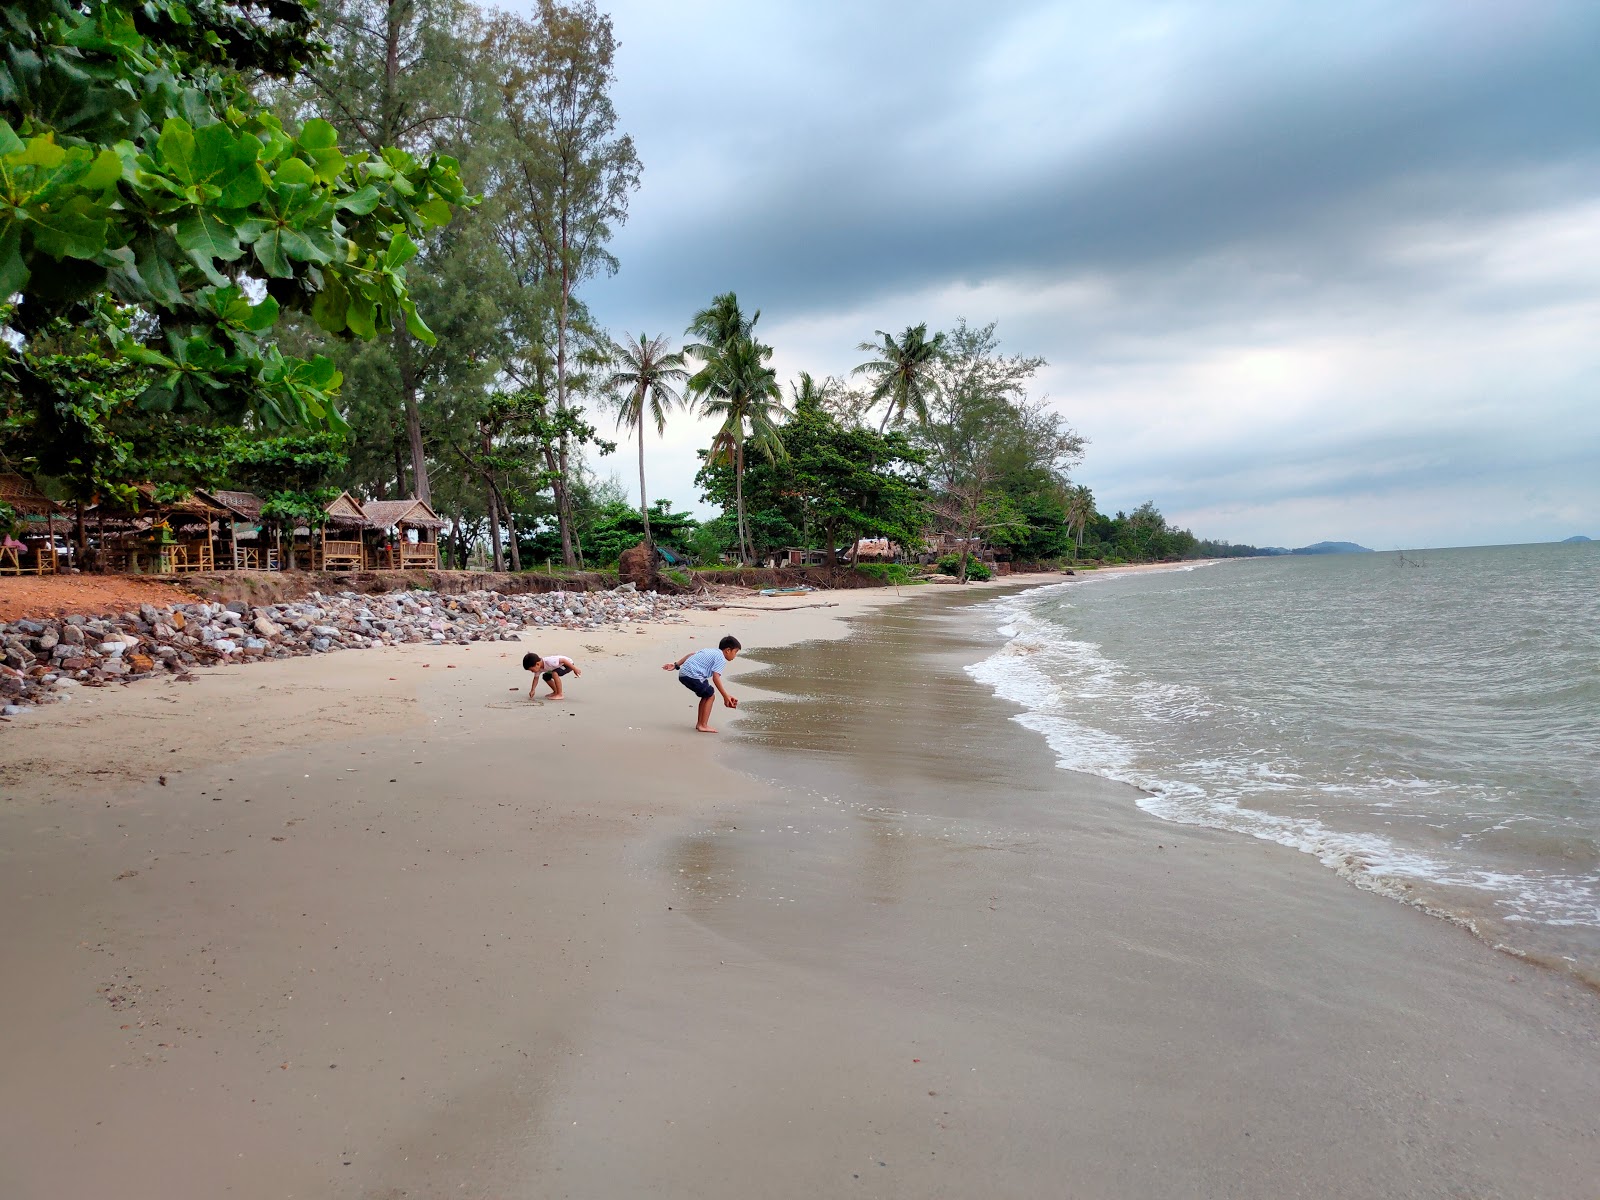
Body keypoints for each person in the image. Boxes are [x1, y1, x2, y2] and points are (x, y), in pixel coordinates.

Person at [662, 636, 741, 733]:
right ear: (728, 650)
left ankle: (700, 723)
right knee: (710, 695)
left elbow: (691, 655)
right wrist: (725, 696)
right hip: (692, 675)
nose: (735, 656)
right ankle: (702, 725)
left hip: (684, 674)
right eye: (735, 652)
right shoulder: (721, 658)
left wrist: (676, 665)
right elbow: (716, 677)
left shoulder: (710, 651)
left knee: (707, 694)